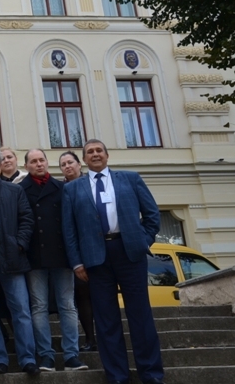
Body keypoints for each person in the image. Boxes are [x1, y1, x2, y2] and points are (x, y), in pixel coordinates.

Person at [62, 140, 164, 384]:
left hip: (130, 253)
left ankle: (150, 374)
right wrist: (76, 263)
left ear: (107, 155)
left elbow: (152, 215)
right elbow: (69, 230)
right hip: (96, 259)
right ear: (84, 160)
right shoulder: (73, 189)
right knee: (106, 321)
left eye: (99, 151)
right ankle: (118, 376)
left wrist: (143, 241)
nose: (95, 155)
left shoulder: (130, 179)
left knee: (141, 316)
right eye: (90, 152)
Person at [20, 149, 86, 372]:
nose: (39, 164)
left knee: (67, 305)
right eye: (33, 161)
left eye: (42, 160)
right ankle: (46, 355)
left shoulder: (61, 188)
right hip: (34, 256)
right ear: (27, 165)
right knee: (38, 306)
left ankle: (71, 355)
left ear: (47, 163)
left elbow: (70, 222)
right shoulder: (21, 190)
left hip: (62, 254)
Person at [0, 145, 39, 376]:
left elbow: (27, 219)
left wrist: (19, 243)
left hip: (12, 259)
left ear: (1, 165)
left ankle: (28, 359)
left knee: (20, 310)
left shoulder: (14, 191)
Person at [58, 150, 96, 351]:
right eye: (63, 164)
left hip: (96, 248)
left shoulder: (93, 183)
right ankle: (90, 339)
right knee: (82, 297)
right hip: (74, 252)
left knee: (100, 296)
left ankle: (107, 337)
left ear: (79, 164)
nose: (67, 166)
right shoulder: (60, 188)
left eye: (70, 162)